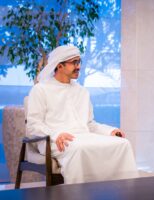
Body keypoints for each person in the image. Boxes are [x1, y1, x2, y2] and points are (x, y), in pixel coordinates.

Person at [26, 45, 138, 184]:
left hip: (83, 136)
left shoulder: (82, 91)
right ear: (60, 66)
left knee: (123, 144)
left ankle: (123, 192)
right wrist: (56, 135)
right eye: (74, 63)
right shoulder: (40, 90)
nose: (78, 66)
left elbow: (90, 124)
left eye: (79, 62)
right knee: (79, 149)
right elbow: (33, 125)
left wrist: (110, 131)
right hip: (53, 140)